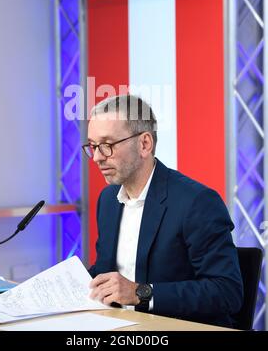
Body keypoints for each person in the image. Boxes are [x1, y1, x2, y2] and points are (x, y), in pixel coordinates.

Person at [82, 95, 243, 328]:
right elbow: (106, 271)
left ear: (144, 144)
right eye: (93, 146)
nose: (97, 157)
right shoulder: (108, 200)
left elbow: (227, 292)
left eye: (107, 145)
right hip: (120, 326)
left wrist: (140, 292)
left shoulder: (197, 202)